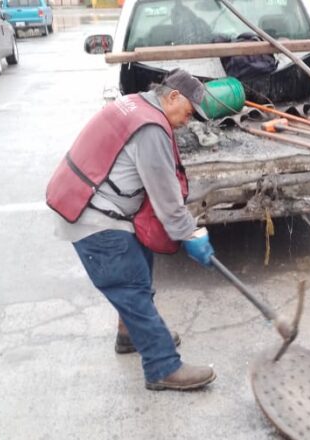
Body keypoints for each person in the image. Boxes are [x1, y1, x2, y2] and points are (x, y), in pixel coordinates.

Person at [46, 69, 219, 391]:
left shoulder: (135, 103)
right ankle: (163, 367)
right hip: (93, 215)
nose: (187, 121)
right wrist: (190, 234)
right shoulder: (151, 128)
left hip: (90, 199)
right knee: (131, 285)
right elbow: (165, 195)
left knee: (140, 261)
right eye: (188, 112)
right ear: (172, 97)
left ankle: (129, 334)